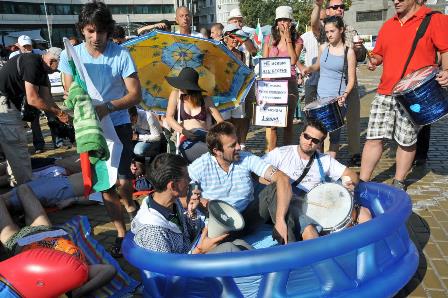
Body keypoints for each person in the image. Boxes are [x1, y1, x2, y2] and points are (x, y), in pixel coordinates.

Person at [59, 0, 141, 257]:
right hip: (91, 130)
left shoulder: (121, 54)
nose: (96, 37)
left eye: (102, 31)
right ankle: (121, 233)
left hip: (118, 123)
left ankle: (129, 204)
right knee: (105, 184)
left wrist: (109, 107)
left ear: (109, 30)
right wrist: (77, 102)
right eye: (91, 30)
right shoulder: (69, 54)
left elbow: (135, 94)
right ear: (82, 29)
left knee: (125, 181)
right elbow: (68, 90)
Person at [360, 0, 448, 191]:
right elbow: (379, 55)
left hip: (413, 95)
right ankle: (363, 181)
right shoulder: (388, 25)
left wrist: (447, 70)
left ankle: (399, 181)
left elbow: (445, 49)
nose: (396, 1)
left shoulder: (434, 19)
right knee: (373, 138)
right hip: (385, 91)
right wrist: (373, 60)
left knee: (406, 140)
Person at [188, 121, 297, 244]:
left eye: (238, 142)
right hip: (219, 224)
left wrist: (280, 219)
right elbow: (182, 190)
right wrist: (197, 200)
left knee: (277, 189)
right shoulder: (200, 165)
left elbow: (282, 178)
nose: (239, 147)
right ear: (217, 151)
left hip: (247, 217)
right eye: (233, 145)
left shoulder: (246, 158)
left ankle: (290, 248)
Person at [263, 119, 371, 240]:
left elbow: (351, 175)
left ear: (320, 144)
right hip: (290, 205)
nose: (309, 142)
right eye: (307, 136)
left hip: (317, 204)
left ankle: (364, 253)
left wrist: (349, 182)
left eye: (315, 140)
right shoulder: (281, 154)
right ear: (301, 134)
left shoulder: (324, 160)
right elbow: (257, 172)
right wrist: (277, 182)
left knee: (364, 214)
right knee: (310, 231)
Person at [0, 184, 116, 298]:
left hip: (17, 242)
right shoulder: (78, 272)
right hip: (46, 231)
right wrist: (77, 293)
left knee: (13, 195)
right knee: (23, 189)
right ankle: (12, 206)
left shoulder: (43, 282)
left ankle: (11, 206)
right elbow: (109, 270)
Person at [131, 153, 252, 253]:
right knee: (229, 248)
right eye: (187, 178)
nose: (190, 181)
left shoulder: (171, 204)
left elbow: (187, 237)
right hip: (185, 275)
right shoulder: (153, 231)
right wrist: (200, 250)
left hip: (191, 256)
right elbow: (168, 274)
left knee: (239, 243)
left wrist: (191, 213)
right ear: (173, 186)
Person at [0, 48, 69, 186]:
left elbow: (46, 98)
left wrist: (63, 116)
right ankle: (27, 188)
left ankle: (16, 183)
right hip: (4, 102)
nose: (56, 72)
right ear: (51, 61)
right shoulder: (32, 63)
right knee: (17, 145)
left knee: (13, 147)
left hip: (8, 102)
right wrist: (59, 114)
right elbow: (33, 99)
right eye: (57, 68)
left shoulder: (42, 69)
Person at [311, 0, 367, 166]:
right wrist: (317, 6)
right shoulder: (324, 29)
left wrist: (358, 49)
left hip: (350, 83)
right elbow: (313, 23)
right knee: (329, 124)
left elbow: (361, 56)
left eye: (342, 6)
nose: (339, 9)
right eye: (335, 7)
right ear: (327, 11)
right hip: (328, 87)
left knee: (353, 119)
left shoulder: (350, 30)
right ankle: (325, 158)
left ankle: (355, 152)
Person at [303, 16, 356, 158]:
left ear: (341, 30)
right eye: (327, 32)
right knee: (318, 134)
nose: (329, 35)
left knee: (334, 136)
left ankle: (329, 167)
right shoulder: (323, 47)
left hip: (338, 100)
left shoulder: (348, 52)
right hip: (321, 99)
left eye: (332, 31)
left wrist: (344, 95)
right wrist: (309, 68)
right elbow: (318, 66)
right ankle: (316, 166)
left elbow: (351, 79)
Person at [263, 6, 303, 152]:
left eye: (285, 20)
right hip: (272, 87)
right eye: (280, 20)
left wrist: (288, 41)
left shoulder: (298, 40)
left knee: (287, 124)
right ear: (276, 22)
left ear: (291, 22)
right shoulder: (269, 38)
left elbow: (293, 61)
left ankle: (286, 154)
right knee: (272, 124)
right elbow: (264, 61)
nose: (283, 23)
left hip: (289, 84)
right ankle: (270, 154)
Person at [165, 67, 224, 163]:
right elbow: (169, 117)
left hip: (205, 136)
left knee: (217, 152)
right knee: (214, 154)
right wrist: (183, 131)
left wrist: (212, 133)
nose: (180, 87)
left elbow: (221, 121)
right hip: (187, 136)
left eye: (182, 85)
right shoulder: (176, 95)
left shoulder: (206, 99)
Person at [220, 24, 250, 148]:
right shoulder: (219, 52)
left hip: (238, 92)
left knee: (238, 119)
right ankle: (226, 143)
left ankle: (236, 143)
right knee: (225, 121)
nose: (235, 40)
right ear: (225, 38)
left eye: (237, 37)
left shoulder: (241, 54)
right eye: (233, 37)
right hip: (223, 94)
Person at [1, 172, 85, 211]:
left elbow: (98, 196)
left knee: (14, 201)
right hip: (61, 180)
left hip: (64, 189)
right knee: (16, 191)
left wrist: (74, 200)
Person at [297, 10, 326, 105]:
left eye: (323, 20)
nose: (321, 22)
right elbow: (294, 56)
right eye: (318, 19)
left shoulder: (330, 35)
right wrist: (302, 68)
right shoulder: (304, 37)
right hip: (311, 80)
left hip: (327, 81)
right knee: (310, 109)